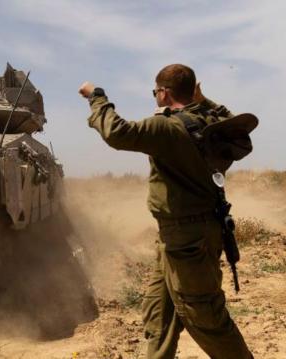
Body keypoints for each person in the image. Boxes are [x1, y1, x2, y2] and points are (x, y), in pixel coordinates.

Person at [78, 64, 253, 359]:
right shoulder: (209, 122)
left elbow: (116, 133)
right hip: (181, 236)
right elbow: (235, 122)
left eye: (155, 91)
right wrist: (204, 99)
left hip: (187, 239)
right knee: (159, 314)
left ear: (163, 93)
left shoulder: (166, 127)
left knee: (205, 318)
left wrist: (96, 97)